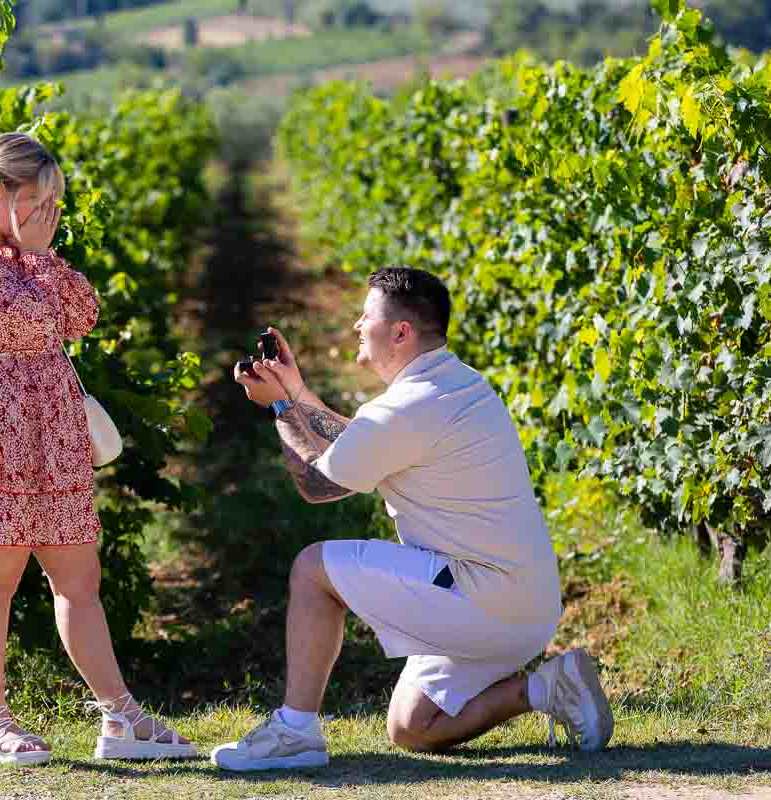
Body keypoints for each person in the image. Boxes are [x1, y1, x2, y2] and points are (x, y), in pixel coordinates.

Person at [213, 267, 612, 771]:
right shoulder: (454, 383)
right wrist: (293, 391)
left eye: (368, 315)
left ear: (400, 332)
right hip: (522, 603)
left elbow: (318, 484)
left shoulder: (406, 407)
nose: (358, 324)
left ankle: (295, 731)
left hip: (481, 598)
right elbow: (358, 442)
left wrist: (278, 410)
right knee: (412, 727)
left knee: (313, 569)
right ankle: (549, 687)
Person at [0, 133, 194, 765]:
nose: (50, 216)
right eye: (40, 202)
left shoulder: (20, 252)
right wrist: (40, 256)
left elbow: (82, 314)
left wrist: (37, 254)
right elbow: (39, 322)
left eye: (54, 204)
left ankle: (120, 718)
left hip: (50, 428)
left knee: (80, 580)